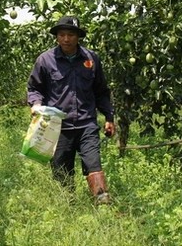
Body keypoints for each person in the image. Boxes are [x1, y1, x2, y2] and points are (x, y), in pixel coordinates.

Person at [27, 16, 116, 204]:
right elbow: (34, 88)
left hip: (86, 124)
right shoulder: (45, 60)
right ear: (57, 37)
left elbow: (101, 91)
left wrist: (109, 117)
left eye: (70, 35)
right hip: (57, 126)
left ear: (78, 37)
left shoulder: (91, 59)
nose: (66, 39)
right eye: (62, 35)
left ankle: (102, 203)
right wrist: (35, 104)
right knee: (61, 171)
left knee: (94, 164)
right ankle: (68, 207)